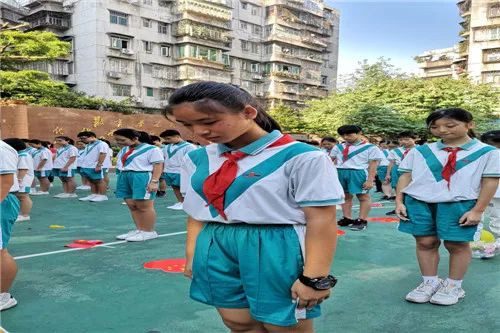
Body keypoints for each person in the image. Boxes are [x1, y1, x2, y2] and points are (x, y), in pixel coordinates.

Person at [167, 82, 343, 332]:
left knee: (283, 325)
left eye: (208, 122)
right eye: (187, 125)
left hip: (276, 245)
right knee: (238, 323)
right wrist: (192, 256)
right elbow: (196, 214)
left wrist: (315, 277)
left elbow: (321, 220)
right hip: (215, 243)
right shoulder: (197, 158)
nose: (199, 132)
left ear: (249, 113)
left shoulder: (303, 157)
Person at [395, 108, 499, 306]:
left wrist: (478, 210)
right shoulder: (421, 150)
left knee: (456, 244)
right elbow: (405, 175)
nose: (442, 130)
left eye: (450, 126)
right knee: (425, 242)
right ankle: (429, 282)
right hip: (419, 202)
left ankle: (453, 286)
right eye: (435, 127)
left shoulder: (488, 153)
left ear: (470, 124)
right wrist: (399, 201)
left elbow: (490, 181)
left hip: (460, 204)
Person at [113, 129, 164, 241]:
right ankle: (140, 229)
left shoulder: (152, 149)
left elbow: (158, 165)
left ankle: (149, 231)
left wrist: (154, 181)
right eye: (117, 140)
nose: (119, 142)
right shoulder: (125, 149)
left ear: (135, 139)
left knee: (144, 206)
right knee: (132, 205)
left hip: (141, 177)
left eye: (122, 140)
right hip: (125, 176)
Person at [330, 125, 383, 231]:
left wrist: (370, 180)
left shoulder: (370, 147)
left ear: (359, 133)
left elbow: (373, 164)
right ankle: (347, 218)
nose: (346, 137)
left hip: (358, 173)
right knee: (345, 196)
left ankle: (362, 220)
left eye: (349, 134)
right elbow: (331, 160)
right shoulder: (338, 147)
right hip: (340, 172)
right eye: (343, 135)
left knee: (363, 197)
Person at [0, 139, 21, 311]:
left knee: (1, 251)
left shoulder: (1, 149)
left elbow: (5, 182)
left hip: (2, 201)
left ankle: (3, 296)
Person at [159, 129, 196, 210]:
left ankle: (187, 203)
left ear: (177, 136)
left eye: (168, 138)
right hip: (169, 170)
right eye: (165, 139)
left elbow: (192, 160)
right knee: (175, 187)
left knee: (185, 188)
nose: (167, 141)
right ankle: (180, 202)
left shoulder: (189, 146)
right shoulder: (167, 147)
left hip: (182, 171)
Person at [385, 131, 418, 214]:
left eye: (407, 139)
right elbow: (391, 163)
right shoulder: (395, 151)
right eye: (401, 140)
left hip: (414, 170)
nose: (403, 142)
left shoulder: (420, 149)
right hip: (397, 170)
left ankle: (412, 208)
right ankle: (398, 206)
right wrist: (388, 174)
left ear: (415, 139)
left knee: (413, 188)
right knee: (398, 189)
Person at [3, 139, 34, 222]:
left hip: (23, 179)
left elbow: (23, 169)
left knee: (23, 196)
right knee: (20, 196)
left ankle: (25, 215)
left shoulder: (23, 155)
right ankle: (21, 213)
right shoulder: (19, 154)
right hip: (20, 178)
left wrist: (19, 179)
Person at [76, 131, 109, 202]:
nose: (82, 140)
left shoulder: (102, 144)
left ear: (92, 137)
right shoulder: (88, 144)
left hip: (96, 165)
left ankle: (103, 195)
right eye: (81, 139)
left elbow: (102, 154)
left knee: (99, 180)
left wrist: (99, 165)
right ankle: (94, 194)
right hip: (87, 166)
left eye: (83, 138)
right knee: (92, 181)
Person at [480, 130, 500, 240]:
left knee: (496, 217)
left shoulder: (491, 154)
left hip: (495, 193)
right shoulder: (486, 154)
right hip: (490, 192)